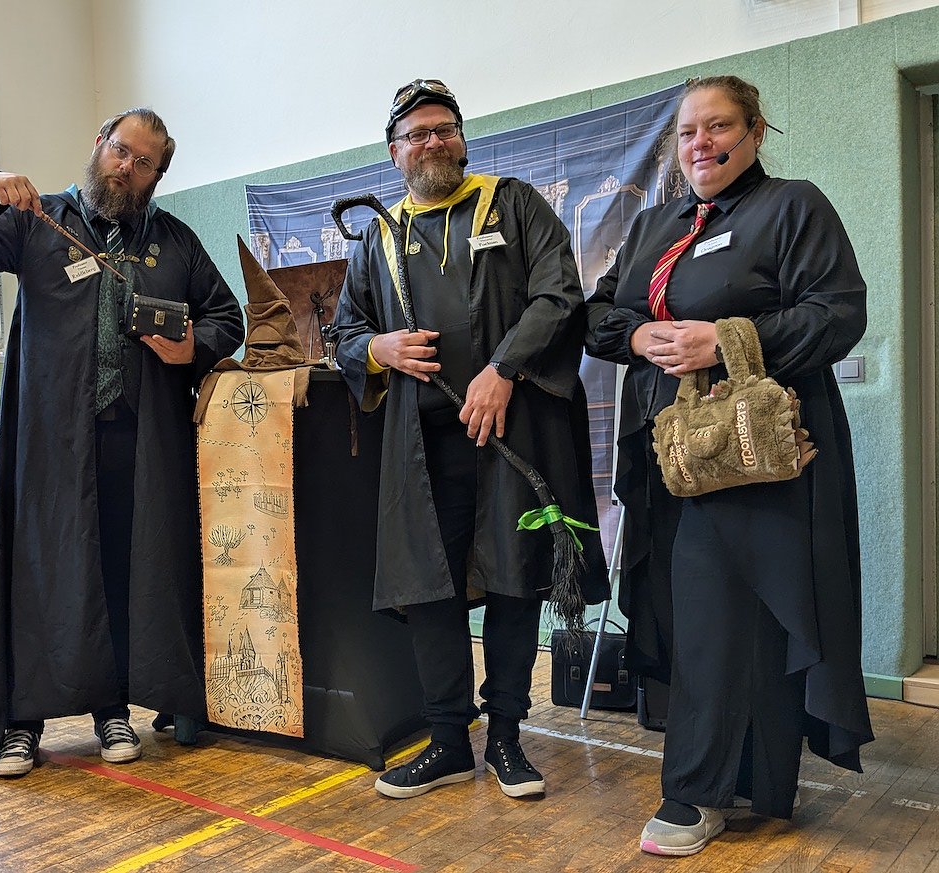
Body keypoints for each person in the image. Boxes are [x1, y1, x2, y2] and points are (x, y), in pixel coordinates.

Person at [585, 75, 874, 856]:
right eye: (687, 132)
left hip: (759, 455)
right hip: (672, 457)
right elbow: (600, 315)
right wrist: (639, 337)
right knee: (706, 617)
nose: (700, 144)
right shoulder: (656, 225)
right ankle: (757, 781)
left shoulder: (793, 207)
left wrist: (727, 339)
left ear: (754, 132)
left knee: (734, 614)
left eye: (717, 127)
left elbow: (839, 312)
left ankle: (695, 793)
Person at [0, 108, 244, 778]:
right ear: (99, 144)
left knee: (123, 572)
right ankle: (22, 723)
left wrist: (192, 345)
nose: (127, 167)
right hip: (48, 441)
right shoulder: (37, 220)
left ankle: (111, 709)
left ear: (157, 175)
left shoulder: (174, 241)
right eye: (121, 150)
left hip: (139, 442)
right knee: (37, 573)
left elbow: (226, 316)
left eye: (144, 162)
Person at [330, 79, 607, 801]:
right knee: (430, 591)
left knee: (515, 581)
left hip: (510, 435)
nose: (433, 142)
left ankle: (508, 737)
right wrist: (378, 349)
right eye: (417, 134)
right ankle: (449, 742)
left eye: (444, 129)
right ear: (395, 153)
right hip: (420, 449)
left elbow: (559, 294)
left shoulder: (512, 205)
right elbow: (345, 332)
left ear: (462, 138)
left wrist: (502, 369)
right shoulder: (377, 237)